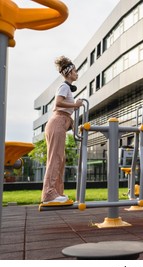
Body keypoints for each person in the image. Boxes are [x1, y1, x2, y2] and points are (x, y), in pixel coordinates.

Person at [41, 56, 83, 204]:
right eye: (75, 71)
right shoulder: (64, 86)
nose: (77, 73)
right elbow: (57, 104)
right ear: (70, 72)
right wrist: (75, 105)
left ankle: (57, 192)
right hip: (57, 123)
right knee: (55, 159)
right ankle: (49, 194)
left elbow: (65, 111)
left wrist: (73, 124)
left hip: (60, 123)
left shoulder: (67, 88)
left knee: (60, 159)